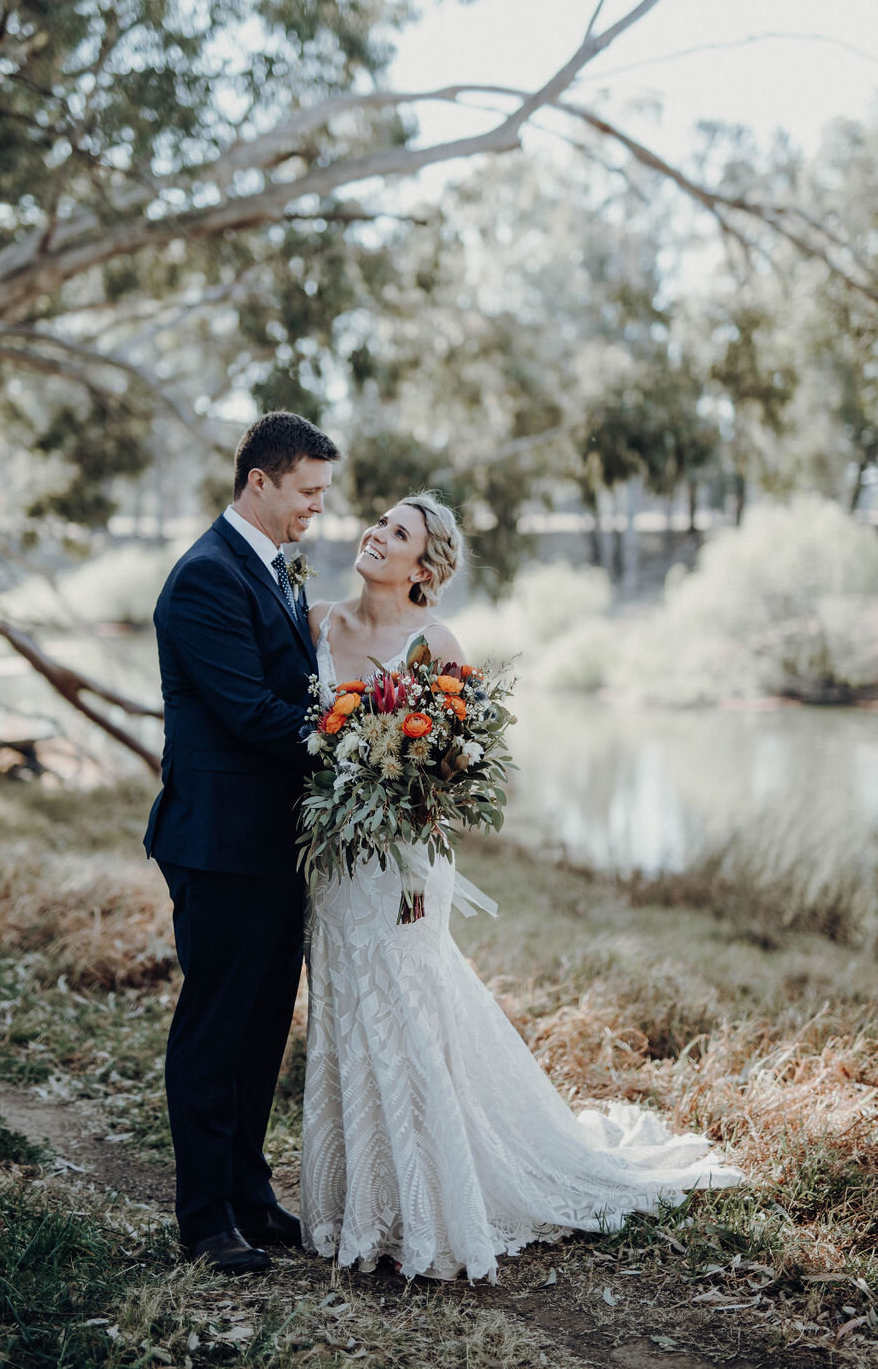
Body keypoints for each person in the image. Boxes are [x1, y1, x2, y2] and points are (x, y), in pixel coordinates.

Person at [301, 491, 743, 1284]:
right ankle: (360, 1199)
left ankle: (433, 1201)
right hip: (336, 863)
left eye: (398, 532)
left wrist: (403, 797)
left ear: (423, 567)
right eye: (378, 522)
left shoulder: (435, 641)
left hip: (406, 865)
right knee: (345, 1003)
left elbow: (456, 766)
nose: (377, 534)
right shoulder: (317, 623)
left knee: (407, 1006)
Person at [144, 411, 339, 1275]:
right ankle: (203, 1217)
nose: (318, 510)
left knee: (264, 1027)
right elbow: (256, 716)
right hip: (219, 845)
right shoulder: (204, 579)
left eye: (323, 494)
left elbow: (292, 689)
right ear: (258, 481)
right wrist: (362, 741)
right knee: (215, 1030)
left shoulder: (276, 571)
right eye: (307, 492)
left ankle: (251, 1196)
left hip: (274, 844)